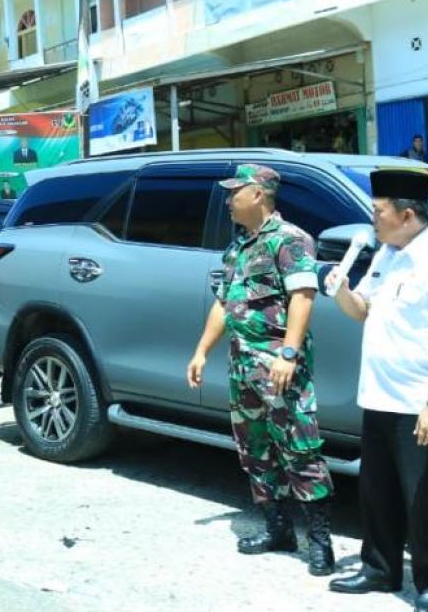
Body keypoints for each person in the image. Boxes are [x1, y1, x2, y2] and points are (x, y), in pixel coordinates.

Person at [325, 169, 428, 612]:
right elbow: (363, 311)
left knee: (424, 497)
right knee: (378, 489)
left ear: (407, 215)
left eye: (378, 211)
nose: (373, 219)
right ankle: (380, 568)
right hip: (379, 396)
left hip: (417, 402)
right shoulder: (388, 253)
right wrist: (342, 291)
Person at [186, 164, 335, 576]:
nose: (228, 199)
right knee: (255, 450)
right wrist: (201, 351)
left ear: (259, 194)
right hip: (242, 367)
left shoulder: (289, 240)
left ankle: (320, 541)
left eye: (235, 192)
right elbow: (223, 304)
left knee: (300, 450)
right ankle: (277, 528)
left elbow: (303, 296)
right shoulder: (237, 247)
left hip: (279, 368)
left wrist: (288, 354)